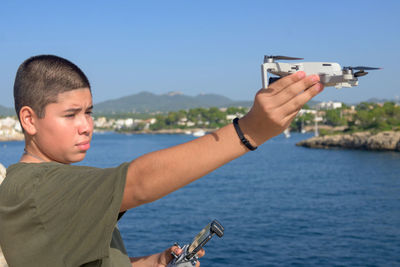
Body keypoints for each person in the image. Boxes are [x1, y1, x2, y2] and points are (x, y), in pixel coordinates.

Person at [0, 55, 323, 267]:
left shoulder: (56, 189)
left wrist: (153, 262)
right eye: (70, 114)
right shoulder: (35, 187)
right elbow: (138, 181)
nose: (86, 126)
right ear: (29, 119)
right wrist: (249, 131)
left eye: (89, 112)